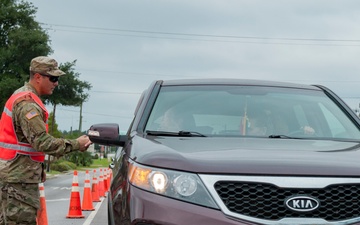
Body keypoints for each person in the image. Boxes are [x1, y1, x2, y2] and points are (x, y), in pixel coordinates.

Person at [0, 56, 92, 225]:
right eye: (53, 78)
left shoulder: (21, 95)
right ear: (37, 77)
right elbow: (42, 142)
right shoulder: (28, 104)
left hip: (16, 178)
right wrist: (76, 144)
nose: (56, 83)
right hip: (18, 181)